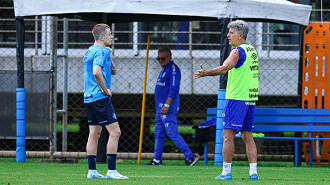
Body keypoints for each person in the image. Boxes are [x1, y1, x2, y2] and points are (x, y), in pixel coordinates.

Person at [194, 20, 259, 180]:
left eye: (231, 32)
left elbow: (225, 68)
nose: (228, 35)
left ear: (240, 35)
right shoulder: (252, 50)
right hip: (250, 98)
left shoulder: (236, 51)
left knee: (227, 135)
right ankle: (253, 173)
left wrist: (206, 72)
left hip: (236, 98)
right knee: (248, 136)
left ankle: (225, 172)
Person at [83, 23, 128, 179]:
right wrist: (105, 90)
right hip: (100, 97)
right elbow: (96, 72)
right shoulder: (102, 51)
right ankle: (112, 171)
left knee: (94, 133)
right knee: (115, 132)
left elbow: (112, 71)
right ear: (101, 37)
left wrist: (109, 56)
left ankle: (92, 171)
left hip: (88, 97)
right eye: (109, 34)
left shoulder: (90, 50)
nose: (112, 36)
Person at [146, 48, 199, 166]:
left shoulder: (173, 69)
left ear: (169, 57)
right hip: (160, 109)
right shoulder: (165, 69)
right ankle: (156, 159)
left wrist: (167, 104)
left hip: (167, 108)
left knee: (172, 132)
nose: (160, 60)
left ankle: (190, 156)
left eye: (163, 58)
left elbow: (174, 88)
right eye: (158, 58)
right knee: (158, 132)